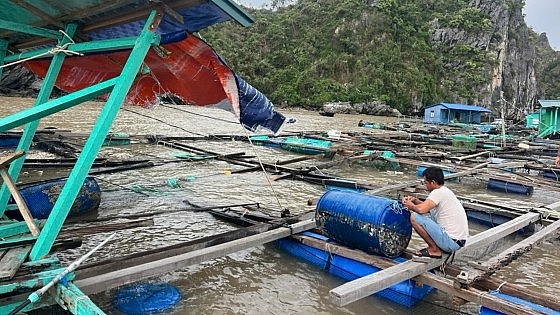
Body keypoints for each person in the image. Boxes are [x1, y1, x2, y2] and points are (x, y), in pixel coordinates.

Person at [401, 166, 469, 258]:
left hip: (451, 242)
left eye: (426, 183)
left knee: (414, 217)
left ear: (433, 182)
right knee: (424, 218)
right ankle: (435, 247)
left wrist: (411, 206)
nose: (425, 185)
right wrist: (415, 201)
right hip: (456, 242)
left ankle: (434, 249)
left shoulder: (437, 192)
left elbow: (421, 210)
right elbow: (429, 208)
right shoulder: (445, 191)